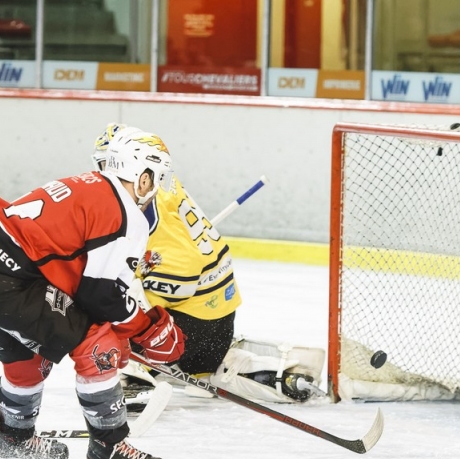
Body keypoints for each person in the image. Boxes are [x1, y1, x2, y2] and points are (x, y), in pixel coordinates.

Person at [0, 129, 185, 459]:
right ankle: (110, 447)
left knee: (27, 358)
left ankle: (15, 436)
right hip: (7, 284)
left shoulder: (89, 185)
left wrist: (122, 324)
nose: (156, 188)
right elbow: (98, 294)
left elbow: (78, 284)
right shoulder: (124, 211)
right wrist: (146, 329)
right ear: (142, 174)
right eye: (156, 177)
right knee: (97, 347)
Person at [92, 123, 325, 404]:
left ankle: (135, 378)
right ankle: (203, 368)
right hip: (216, 325)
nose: (105, 175)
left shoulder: (153, 222)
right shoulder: (161, 195)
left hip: (195, 333)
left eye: (110, 165)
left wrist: (127, 292)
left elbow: (177, 284)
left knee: (113, 304)